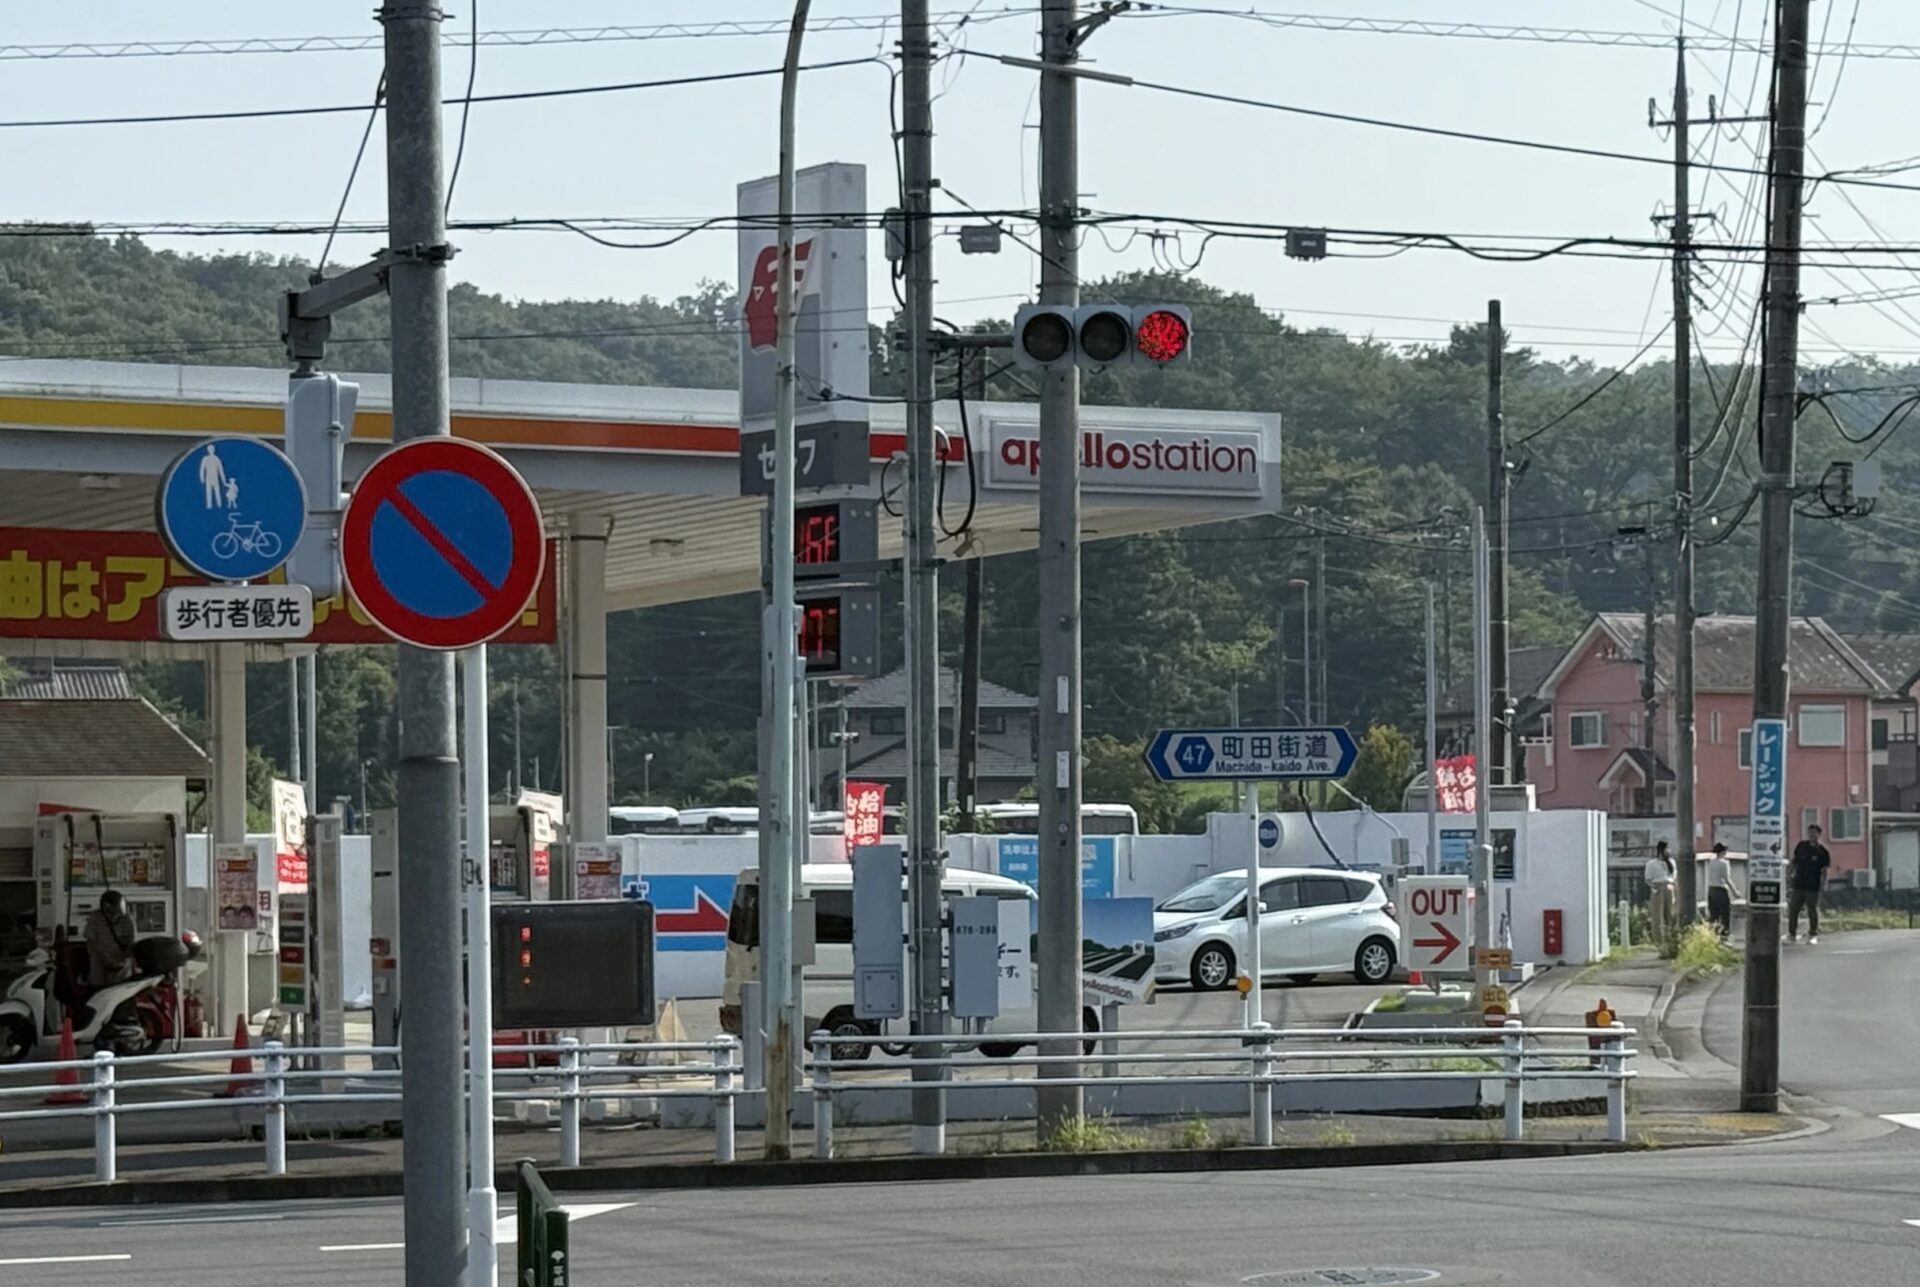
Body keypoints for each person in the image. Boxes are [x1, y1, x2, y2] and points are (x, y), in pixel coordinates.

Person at [1788, 824, 1831, 944]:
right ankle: (1792, 934)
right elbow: (1794, 862)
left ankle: (1813, 934)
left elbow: (1825, 870)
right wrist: (1789, 875)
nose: (1812, 834)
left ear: (1819, 834)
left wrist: (1825, 883)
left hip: (1813, 885)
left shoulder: (1822, 851)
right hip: (1799, 883)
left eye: (1814, 832)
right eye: (1810, 832)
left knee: (1812, 910)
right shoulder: (1802, 846)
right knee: (1793, 909)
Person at [84, 890, 136, 988]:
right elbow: (91, 942)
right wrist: (103, 957)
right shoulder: (95, 918)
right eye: (110, 912)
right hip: (100, 960)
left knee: (121, 986)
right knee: (98, 986)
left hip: (121, 962)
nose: (114, 916)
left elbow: (131, 944)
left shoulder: (128, 920)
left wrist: (125, 960)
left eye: (118, 912)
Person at [1643, 840, 1677, 946]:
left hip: (1669, 886)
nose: (1669, 851)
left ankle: (1670, 937)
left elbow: (1674, 877)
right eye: (1667, 849)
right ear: (1661, 850)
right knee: (1658, 914)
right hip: (1658, 886)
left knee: (1670, 912)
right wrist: (1654, 887)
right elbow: (1648, 878)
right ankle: (1658, 939)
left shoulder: (1671, 862)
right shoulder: (1651, 863)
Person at [1706, 842, 1735, 940]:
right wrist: (1734, 891)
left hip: (1711, 889)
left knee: (1714, 914)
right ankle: (1724, 934)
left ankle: (1713, 934)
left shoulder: (1711, 862)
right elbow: (1727, 879)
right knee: (1725, 914)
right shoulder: (1724, 863)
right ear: (1723, 852)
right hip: (1721, 890)